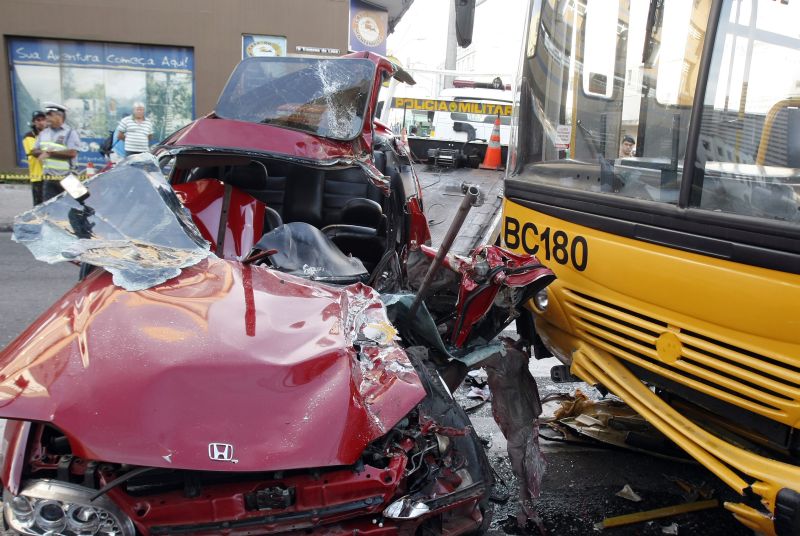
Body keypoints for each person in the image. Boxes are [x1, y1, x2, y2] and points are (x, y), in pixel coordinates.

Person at [30, 103, 81, 202]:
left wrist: (50, 153)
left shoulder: (70, 132)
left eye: (50, 115)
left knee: (77, 209)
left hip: (69, 177)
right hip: (49, 179)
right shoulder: (44, 133)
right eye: (47, 115)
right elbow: (34, 151)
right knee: (49, 211)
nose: (47, 117)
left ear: (59, 116)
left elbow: (72, 153)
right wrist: (44, 152)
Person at [22, 110, 47, 205]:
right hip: (38, 176)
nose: (41, 122)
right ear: (34, 122)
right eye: (38, 120)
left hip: (52, 175)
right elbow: (35, 152)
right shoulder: (29, 136)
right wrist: (53, 152)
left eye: (43, 119)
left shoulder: (50, 134)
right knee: (39, 205)